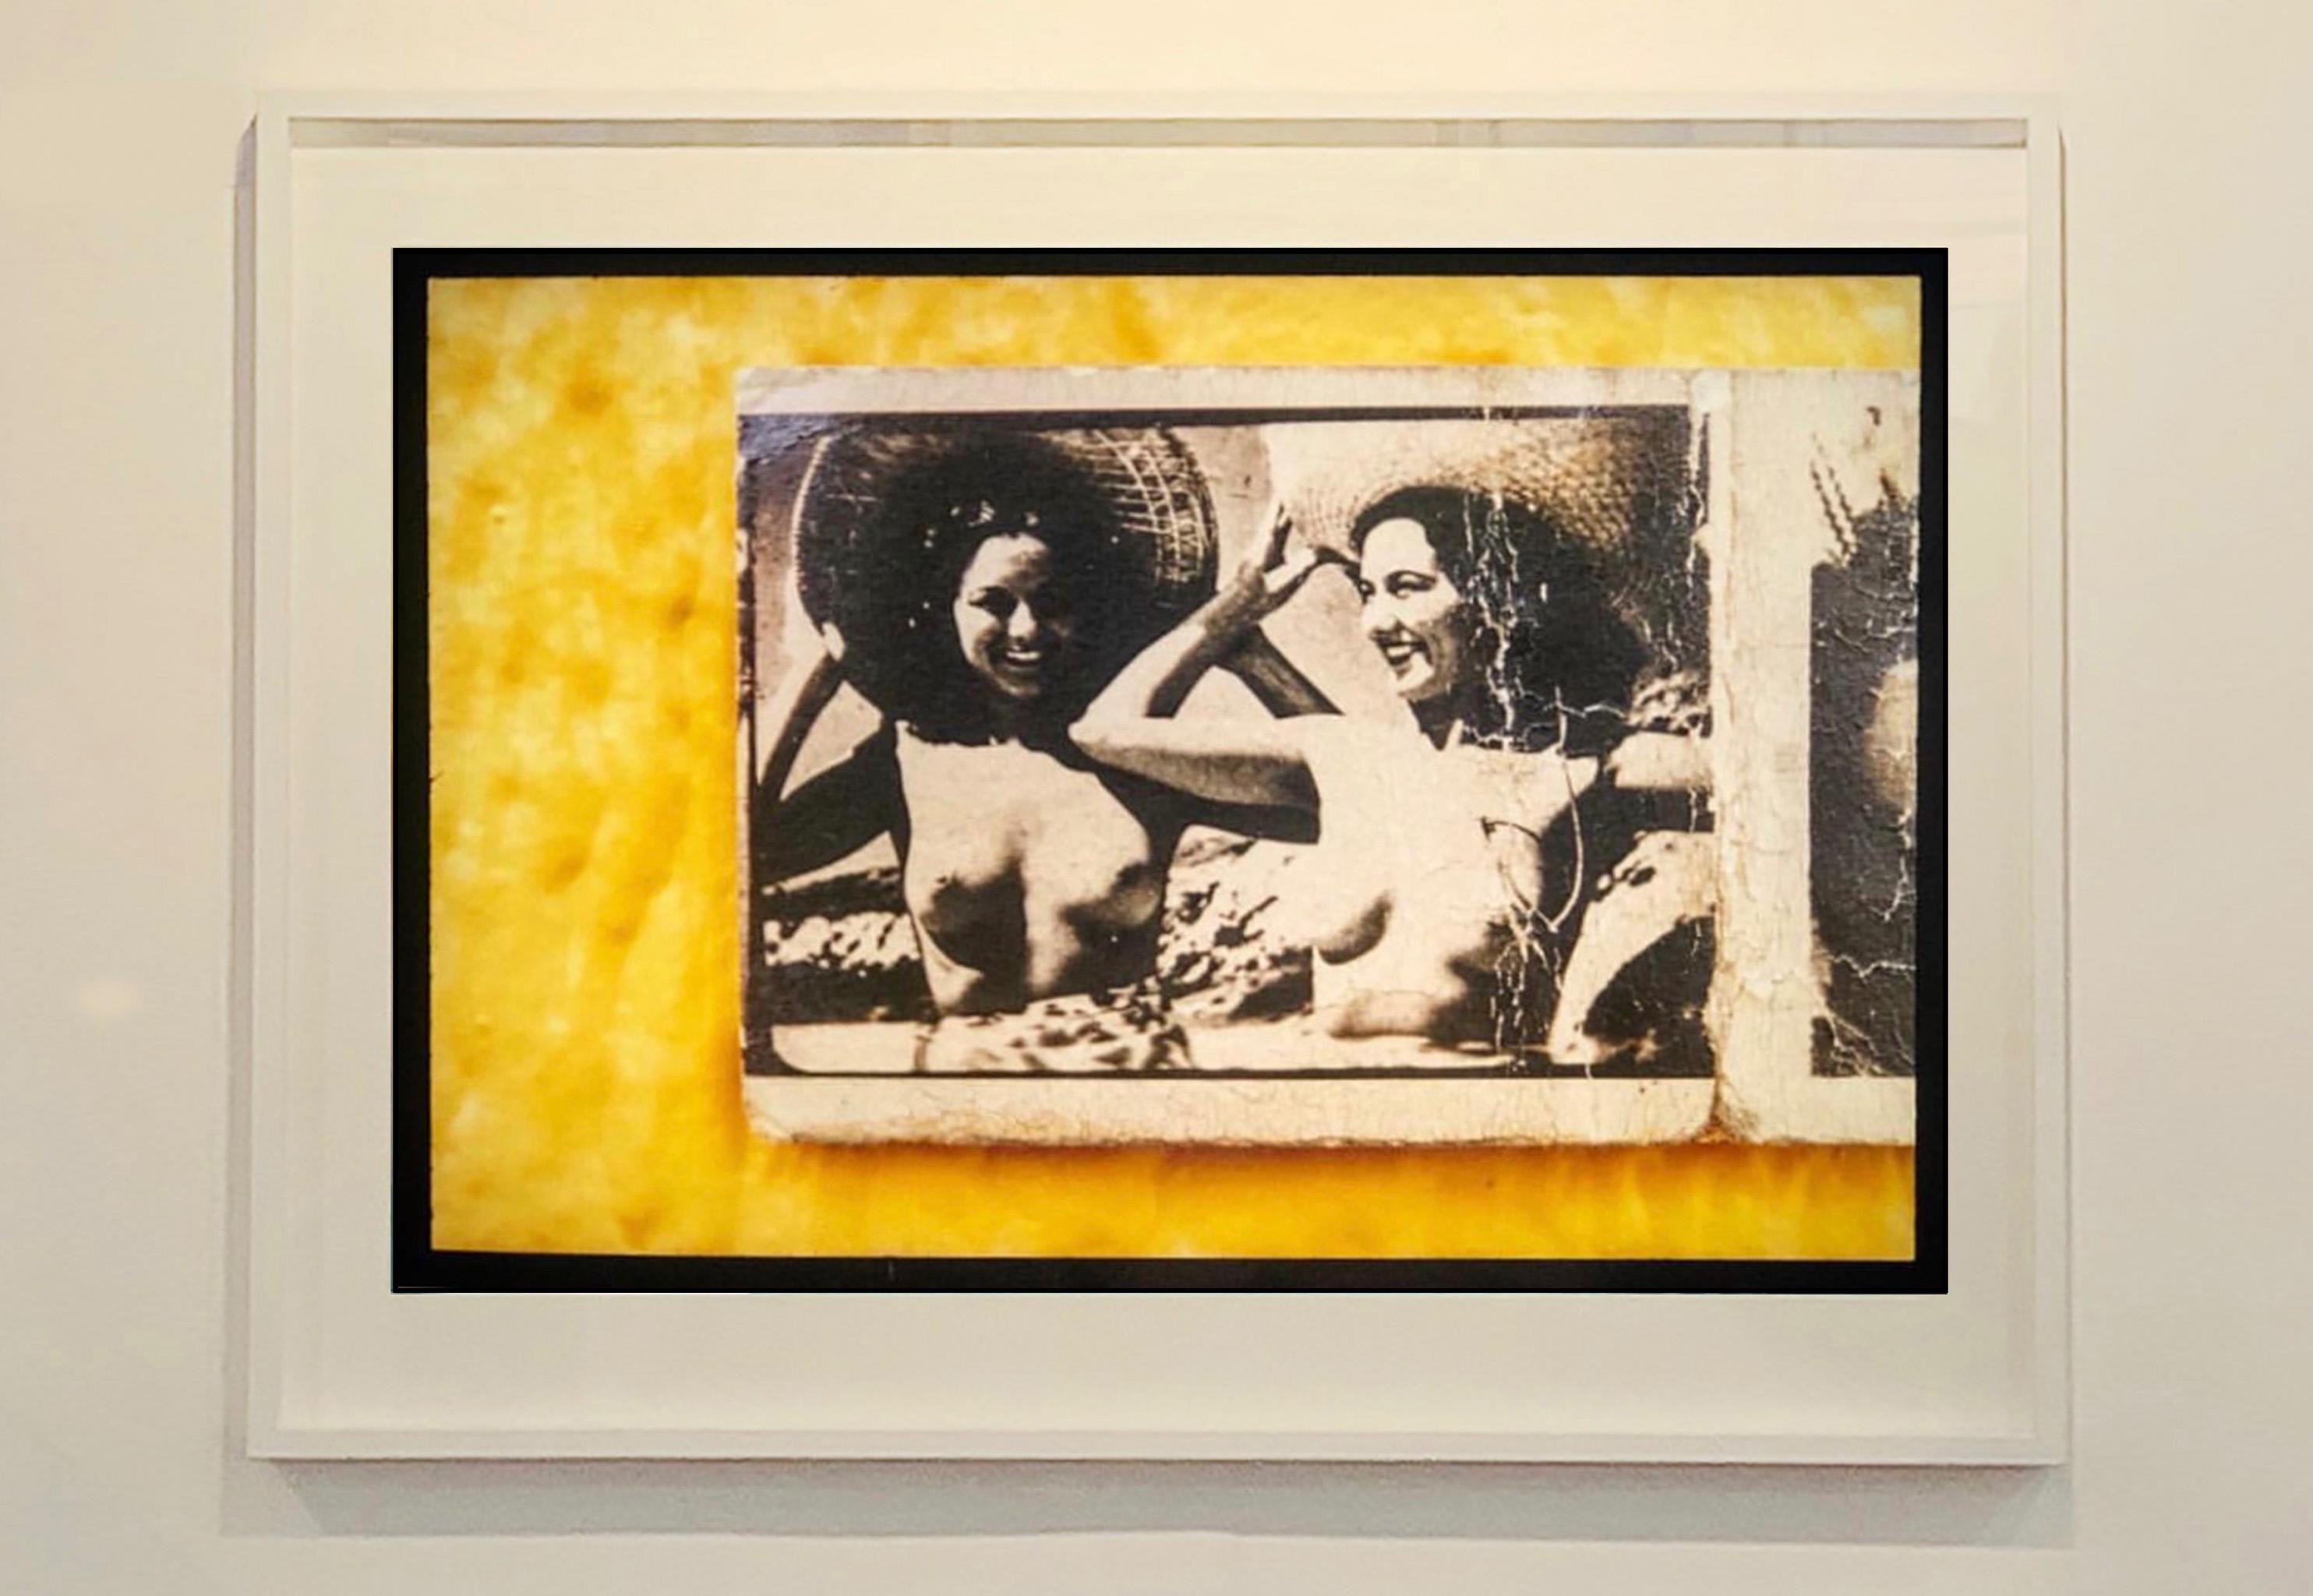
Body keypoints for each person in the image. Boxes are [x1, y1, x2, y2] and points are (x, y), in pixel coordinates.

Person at [1069, 487, 1710, 1054]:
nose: (1375, 622)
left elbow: (1775, 785)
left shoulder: (1579, 773)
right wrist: (1238, 605)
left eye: (1408, 587)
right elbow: (1103, 732)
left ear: (1501, 600)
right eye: (1366, 592)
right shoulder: (1340, 753)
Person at [753, 436, 1322, 1073]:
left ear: (1086, 611)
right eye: (993, 603)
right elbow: (741, 855)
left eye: (1051, 603)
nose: (1026, 629)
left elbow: (1362, 802)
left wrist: (1250, 653)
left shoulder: (1139, 754)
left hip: (1137, 1094)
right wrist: (812, 674)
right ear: (945, 610)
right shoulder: (904, 763)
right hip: (968, 1119)